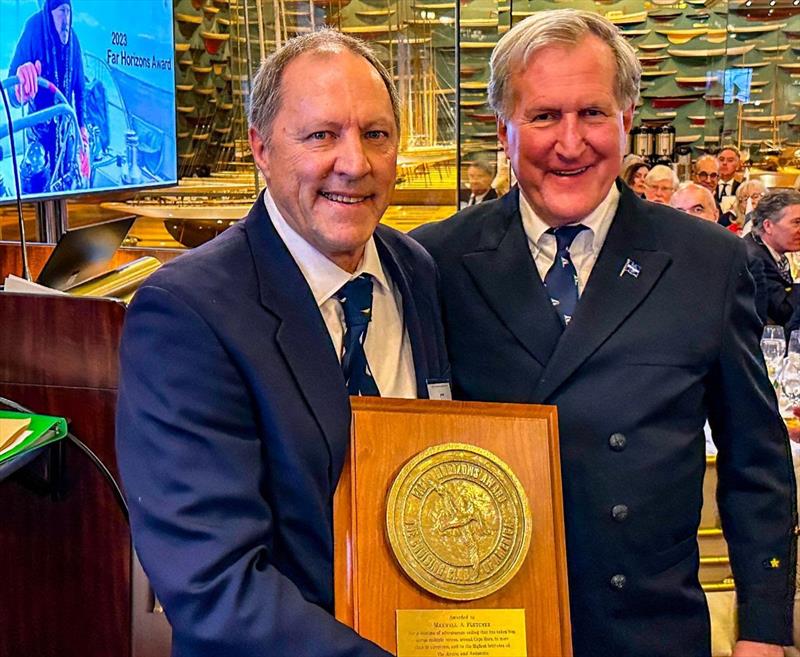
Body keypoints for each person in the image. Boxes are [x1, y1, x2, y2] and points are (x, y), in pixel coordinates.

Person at [412, 9, 796, 657]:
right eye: (543, 116)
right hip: (484, 627)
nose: (570, 142)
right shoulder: (433, 262)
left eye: (592, 113)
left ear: (627, 121)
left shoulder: (708, 261)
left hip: (648, 628)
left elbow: (754, 460)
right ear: (502, 128)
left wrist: (762, 624)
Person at [116, 30, 449, 657]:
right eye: (321, 135)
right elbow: (215, 586)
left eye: (375, 134)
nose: (355, 163)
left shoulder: (415, 271)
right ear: (260, 149)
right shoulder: (186, 314)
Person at [8, 0, 90, 194]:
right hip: (39, 130)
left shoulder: (74, 41)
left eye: (69, 12)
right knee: (37, 179)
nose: (66, 20)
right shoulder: (33, 29)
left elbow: (80, 90)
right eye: (62, 12)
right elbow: (12, 86)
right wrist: (20, 89)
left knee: (67, 178)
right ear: (50, 12)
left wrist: (82, 127)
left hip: (65, 129)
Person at [670, 181, 768, 323]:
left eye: (698, 209)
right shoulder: (656, 261)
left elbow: (753, 324)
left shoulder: (746, 262)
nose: (689, 217)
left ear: (715, 215)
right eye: (679, 211)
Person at [747, 190, 800, 330]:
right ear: (768, 226)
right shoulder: (756, 259)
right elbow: (785, 312)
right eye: (797, 222)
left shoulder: (769, 248)